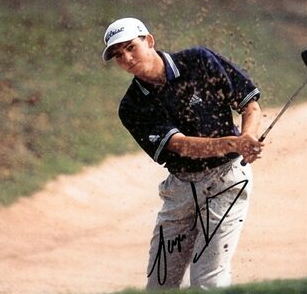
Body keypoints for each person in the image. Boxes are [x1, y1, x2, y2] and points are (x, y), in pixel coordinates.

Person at [102, 17, 264, 289]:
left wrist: (248, 136)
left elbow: (250, 106)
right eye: (119, 55)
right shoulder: (131, 106)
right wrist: (236, 143)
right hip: (180, 189)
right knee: (159, 284)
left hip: (228, 180)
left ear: (149, 41)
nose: (127, 58)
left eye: (131, 47)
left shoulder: (199, 61)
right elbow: (181, 145)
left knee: (207, 280)